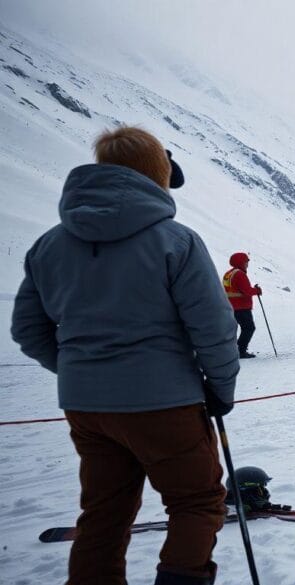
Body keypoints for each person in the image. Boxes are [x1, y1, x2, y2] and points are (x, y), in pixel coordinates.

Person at [11, 126, 239, 585]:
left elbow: (27, 329)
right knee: (195, 502)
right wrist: (220, 388)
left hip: (87, 408)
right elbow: (214, 329)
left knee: (104, 513)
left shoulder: (49, 245)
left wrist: (81, 370)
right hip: (164, 403)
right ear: (158, 174)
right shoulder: (176, 241)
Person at [222, 252, 262, 358]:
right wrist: (256, 290)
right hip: (241, 307)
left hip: (230, 306)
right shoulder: (239, 274)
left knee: (233, 329)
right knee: (249, 328)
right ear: (241, 262)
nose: (247, 263)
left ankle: (232, 350)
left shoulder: (229, 274)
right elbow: (247, 291)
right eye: (246, 261)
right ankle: (240, 350)